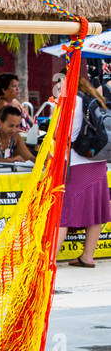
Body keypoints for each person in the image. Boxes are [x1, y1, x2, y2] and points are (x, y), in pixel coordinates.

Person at [57, 70, 109, 268]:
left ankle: (50, 260)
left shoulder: (72, 101)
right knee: (95, 211)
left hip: (76, 161)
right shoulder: (93, 97)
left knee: (64, 212)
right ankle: (87, 256)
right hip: (97, 159)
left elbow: (65, 133)